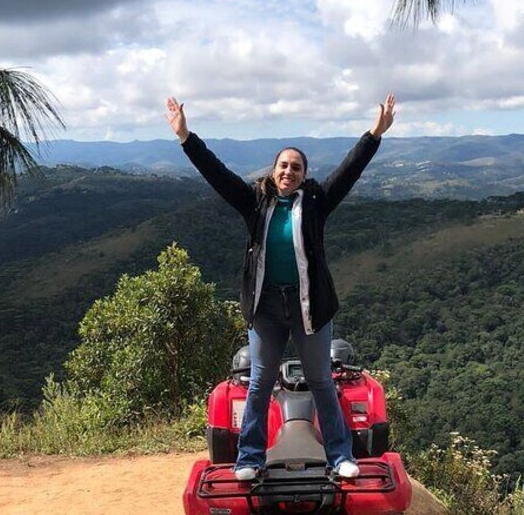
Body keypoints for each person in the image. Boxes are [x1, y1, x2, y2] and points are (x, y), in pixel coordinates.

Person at [165, 94, 396, 481]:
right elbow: (216, 173)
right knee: (259, 383)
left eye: (296, 167)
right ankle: (249, 459)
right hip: (266, 306)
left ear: (304, 175)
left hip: (310, 307)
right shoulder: (255, 202)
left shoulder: (318, 201)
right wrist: (186, 137)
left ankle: (339, 456)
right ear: (273, 171)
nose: (289, 171)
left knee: (322, 381)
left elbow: (350, 170)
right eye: (283, 166)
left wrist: (375, 133)